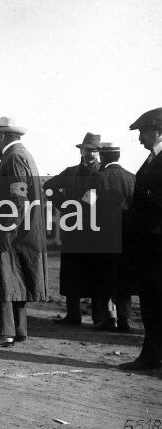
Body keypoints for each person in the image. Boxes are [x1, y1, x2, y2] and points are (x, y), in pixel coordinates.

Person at [0, 117, 48, 347]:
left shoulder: (13, 158)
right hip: (23, 233)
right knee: (17, 280)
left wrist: (6, 231)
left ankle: (6, 332)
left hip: (12, 232)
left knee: (4, 280)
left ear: (3, 137)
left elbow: (17, 198)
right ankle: (19, 329)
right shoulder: (23, 155)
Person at [43, 133, 102, 326]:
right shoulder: (70, 172)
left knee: (95, 272)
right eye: (87, 150)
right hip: (73, 230)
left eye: (94, 151)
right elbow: (49, 187)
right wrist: (66, 206)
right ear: (81, 151)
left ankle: (98, 317)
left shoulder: (102, 173)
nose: (90, 154)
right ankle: (73, 315)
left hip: (95, 231)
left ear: (98, 153)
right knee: (71, 273)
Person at [120, 107, 162, 370]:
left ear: (158, 132)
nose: (139, 138)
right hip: (148, 246)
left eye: (143, 132)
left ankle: (152, 356)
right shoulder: (150, 161)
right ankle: (152, 354)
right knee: (150, 301)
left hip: (158, 245)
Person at [93, 142, 135, 332]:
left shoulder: (98, 177)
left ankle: (108, 319)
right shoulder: (132, 178)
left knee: (104, 276)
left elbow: (87, 204)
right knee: (124, 277)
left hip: (104, 235)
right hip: (127, 237)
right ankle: (125, 319)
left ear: (102, 157)